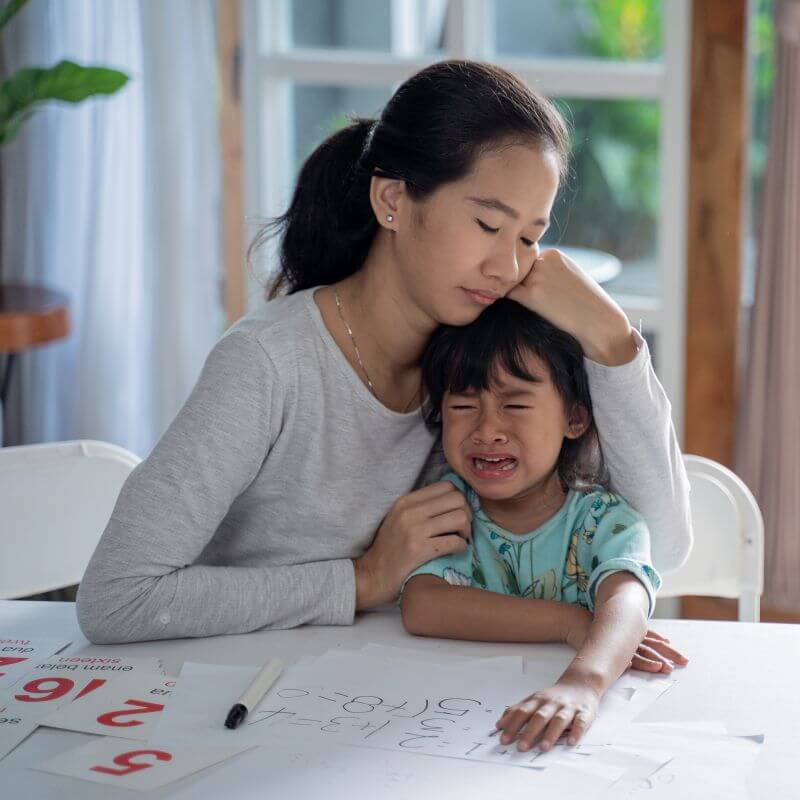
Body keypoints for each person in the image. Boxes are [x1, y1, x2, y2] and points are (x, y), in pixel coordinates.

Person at [76, 60, 691, 645]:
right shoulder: (267, 364)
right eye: (487, 225)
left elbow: (657, 545)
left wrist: (615, 344)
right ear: (392, 201)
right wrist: (364, 579)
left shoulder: (475, 369)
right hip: (224, 694)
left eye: (530, 237)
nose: (508, 266)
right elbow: (116, 597)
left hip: (383, 696)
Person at [400, 299, 689, 753]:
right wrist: (570, 622)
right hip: (457, 727)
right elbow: (422, 606)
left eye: (514, 403)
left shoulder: (603, 520)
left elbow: (628, 599)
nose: (487, 429)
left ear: (574, 418)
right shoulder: (448, 507)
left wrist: (585, 681)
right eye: (462, 405)